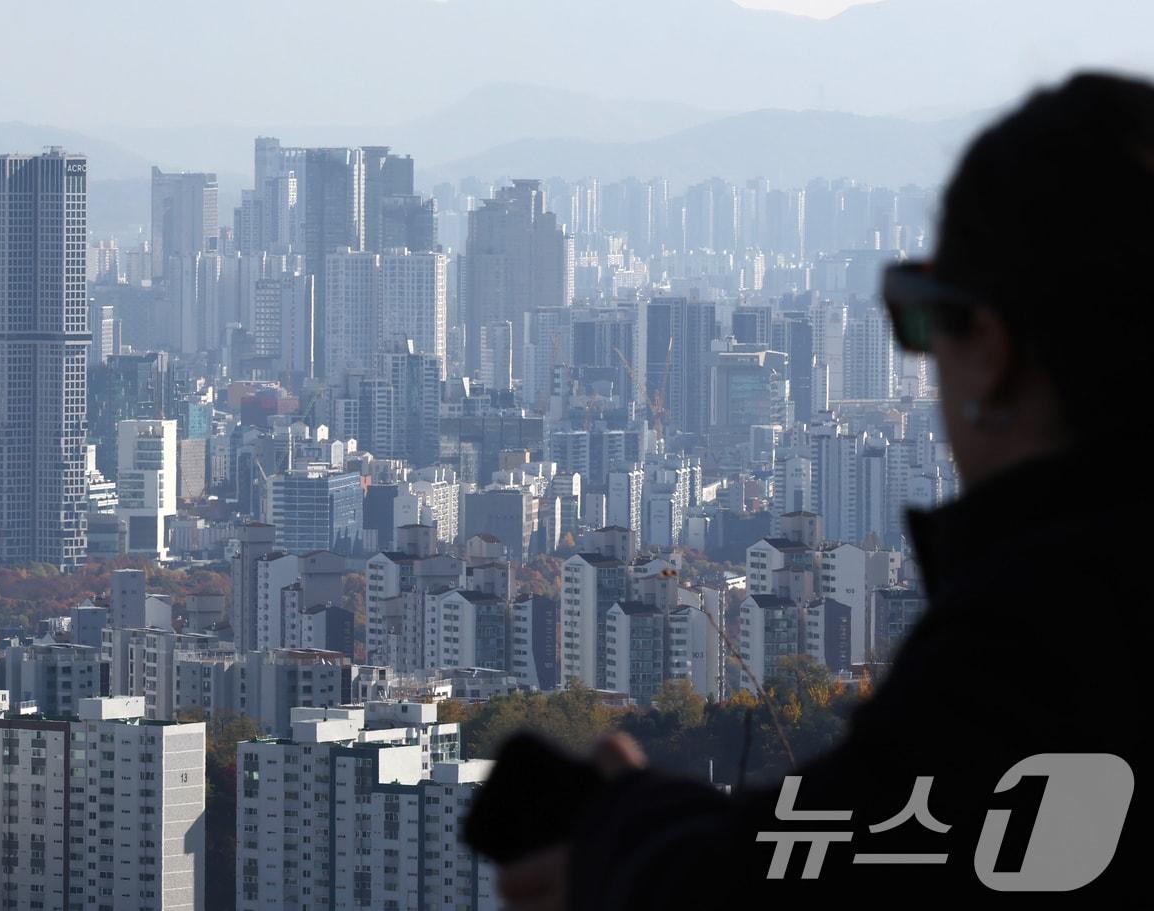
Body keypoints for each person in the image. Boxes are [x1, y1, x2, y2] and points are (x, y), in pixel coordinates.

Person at [491, 71, 1152, 907]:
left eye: (921, 315)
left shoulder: (1043, 637)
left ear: (989, 345)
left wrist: (626, 829)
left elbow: (815, 874)